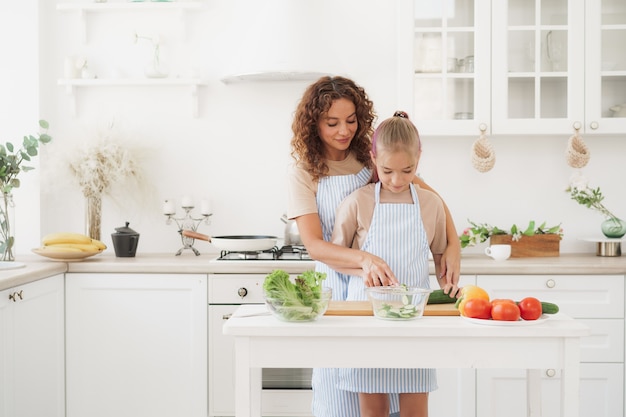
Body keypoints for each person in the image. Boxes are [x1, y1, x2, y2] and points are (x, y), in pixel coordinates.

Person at [287, 76, 461, 417]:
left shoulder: (377, 158)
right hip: (342, 296)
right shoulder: (304, 172)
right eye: (332, 122)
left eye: (351, 120)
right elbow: (315, 246)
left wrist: (452, 246)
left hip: (391, 299)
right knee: (342, 400)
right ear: (313, 124)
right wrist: (366, 260)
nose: (343, 130)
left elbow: (431, 201)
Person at [332, 111, 445, 417]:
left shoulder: (431, 204)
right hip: (367, 319)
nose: (397, 180)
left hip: (414, 321)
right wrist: (362, 269)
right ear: (373, 159)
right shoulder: (358, 202)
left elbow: (441, 256)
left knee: (415, 410)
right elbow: (336, 257)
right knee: (373, 412)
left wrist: (450, 286)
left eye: (407, 171)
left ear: (419, 159)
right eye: (387, 171)